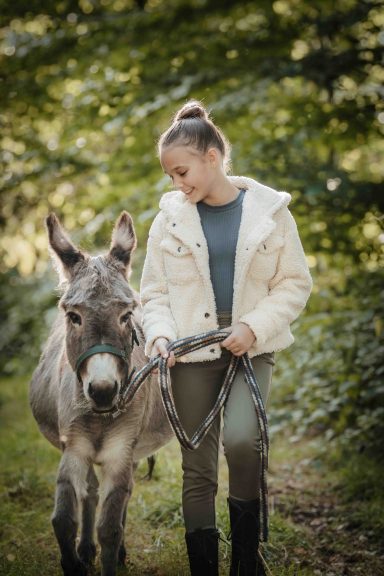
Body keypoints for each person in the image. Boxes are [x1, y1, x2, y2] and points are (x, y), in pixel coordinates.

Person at [140, 100, 312, 576]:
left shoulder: (272, 214)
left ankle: (245, 561)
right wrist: (159, 336)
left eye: (182, 171)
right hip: (189, 352)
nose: (178, 184)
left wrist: (253, 326)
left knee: (242, 440)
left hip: (251, 346)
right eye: (171, 176)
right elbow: (152, 293)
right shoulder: (167, 221)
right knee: (196, 464)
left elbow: (295, 283)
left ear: (211, 158)